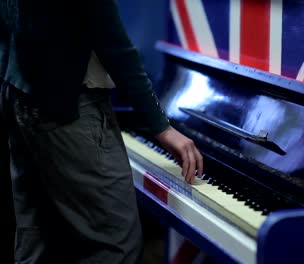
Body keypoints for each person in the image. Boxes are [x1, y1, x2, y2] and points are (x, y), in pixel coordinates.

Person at [0, 0, 203, 263]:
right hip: (67, 105)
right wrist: (161, 127)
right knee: (116, 245)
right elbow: (115, 46)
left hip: (17, 92)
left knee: (37, 233)